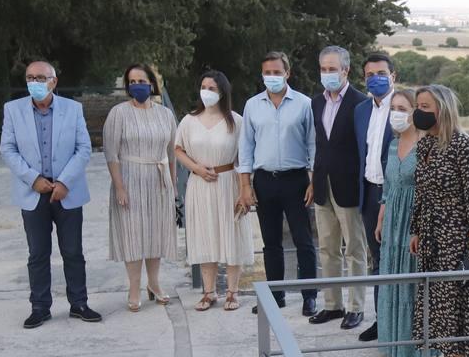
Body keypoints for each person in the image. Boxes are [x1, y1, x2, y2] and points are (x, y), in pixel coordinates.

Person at [0, 60, 101, 329]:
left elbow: (83, 148)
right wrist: (33, 179)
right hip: (33, 192)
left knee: (73, 251)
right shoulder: (13, 110)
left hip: (67, 191)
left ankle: (79, 303)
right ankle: (40, 307)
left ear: (53, 82)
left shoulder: (73, 109)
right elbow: (7, 149)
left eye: (41, 78)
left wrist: (64, 181)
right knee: (38, 253)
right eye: (30, 78)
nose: (35, 83)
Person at [408, 84, 469, 357]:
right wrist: (415, 229)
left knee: (454, 298)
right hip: (430, 235)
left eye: (426, 106)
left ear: (442, 109)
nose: (420, 111)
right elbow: (421, 193)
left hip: (456, 234)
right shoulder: (425, 145)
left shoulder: (462, 146)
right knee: (435, 299)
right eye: (418, 105)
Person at [238, 51, 318, 317]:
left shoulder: (304, 104)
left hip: (296, 179)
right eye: (267, 72)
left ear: (287, 73)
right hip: (264, 180)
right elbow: (246, 146)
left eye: (276, 72)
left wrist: (313, 180)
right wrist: (245, 186)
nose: (271, 77)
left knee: (303, 240)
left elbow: (313, 144)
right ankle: (275, 296)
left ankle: (309, 296)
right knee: (271, 242)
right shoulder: (252, 105)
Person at [175, 70, 253, 311]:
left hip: (228, 181)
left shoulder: (236, 121)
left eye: (212, 88)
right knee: (205, 236)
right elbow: (178, 149)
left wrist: (244, 190)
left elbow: (245, 157)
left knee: (231, 235)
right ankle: (209, 292)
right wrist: (196, 169)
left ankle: (232, 291)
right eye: (204, 86)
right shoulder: (189, 120)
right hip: (200, 184)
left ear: (222, 92)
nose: (207, 92)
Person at [104, 63, 179, 311]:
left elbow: (171, 153)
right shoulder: (118, 113)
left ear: (151, 83)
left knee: (155, 233)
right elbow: (111, 153)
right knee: (133, 234)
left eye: (141, 80)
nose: (137, 85)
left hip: (158, 180)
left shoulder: (165, 114)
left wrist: (172, 186)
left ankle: (154, 283)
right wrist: (119, 187)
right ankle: (134, 287)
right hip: (130, 178)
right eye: (132, 81)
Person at [308, 45, 369, 330]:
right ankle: (332, 305)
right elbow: (320, 144)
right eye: (323, 68)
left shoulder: (360, 102)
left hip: (349, 186)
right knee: (327, 248)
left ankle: (355, 307)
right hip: (323, 184)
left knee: (354, 250)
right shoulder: (316, 103)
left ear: (345, 70)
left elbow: (363, 148)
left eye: (333, 68)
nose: (327, 73)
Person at [374, 89, 424, 357]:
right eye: (394, 107)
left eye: (402, 108)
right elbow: (389, 186)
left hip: (415, 220)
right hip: (393, 218)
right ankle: (398, 342)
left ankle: (421, 348)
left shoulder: (426, 145)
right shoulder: (393, 145)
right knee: (394, 276)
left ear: (416, 111)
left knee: (414, 280)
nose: (396, 113)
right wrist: (381, 217)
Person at [354, 52, 397, 343]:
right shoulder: (360, 111)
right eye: (370, 75)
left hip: (397, 196)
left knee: (401, 259)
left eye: (381, 73)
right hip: (370, 193)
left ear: (394, 75)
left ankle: (402, 323)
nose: (376, 79)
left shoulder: (404, 108)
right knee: (378, 259)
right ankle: (382, 320)